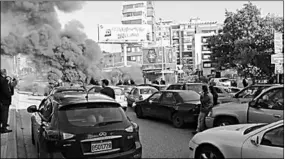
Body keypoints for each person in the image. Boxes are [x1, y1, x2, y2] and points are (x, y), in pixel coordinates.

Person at [0, 69, 17, 133]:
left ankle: (2, 126)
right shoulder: (4, 80)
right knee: (4, 115)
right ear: (4, 73)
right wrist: (9, 94)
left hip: (1, 100)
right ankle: (3, 128)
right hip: (4, 101)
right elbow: (6, 91)